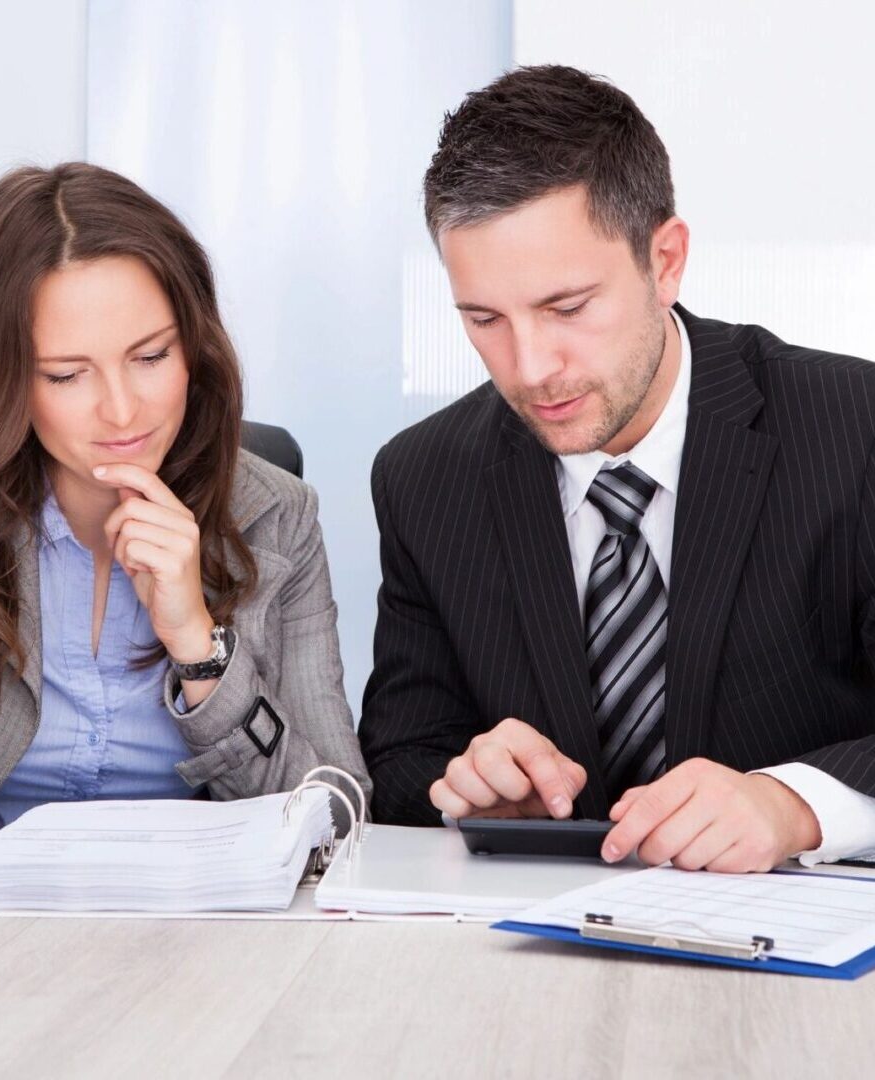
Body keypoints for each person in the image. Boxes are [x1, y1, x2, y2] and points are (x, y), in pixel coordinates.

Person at [359, 64, 875, 872]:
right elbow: (401, 763)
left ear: (665, 260)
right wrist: (472, 785)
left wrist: (796, 805)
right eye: (485, 319)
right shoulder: (424, 478)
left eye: (567, 309)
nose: (530, 368)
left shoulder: (854, 430)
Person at [0, 162, 369, 853]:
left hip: (200, 937)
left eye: (151, 357)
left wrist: (199, 650)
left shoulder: (278, 514)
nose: (123, 411)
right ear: (0, 377)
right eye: (67, 374)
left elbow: (337, 814)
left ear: (195, 347)